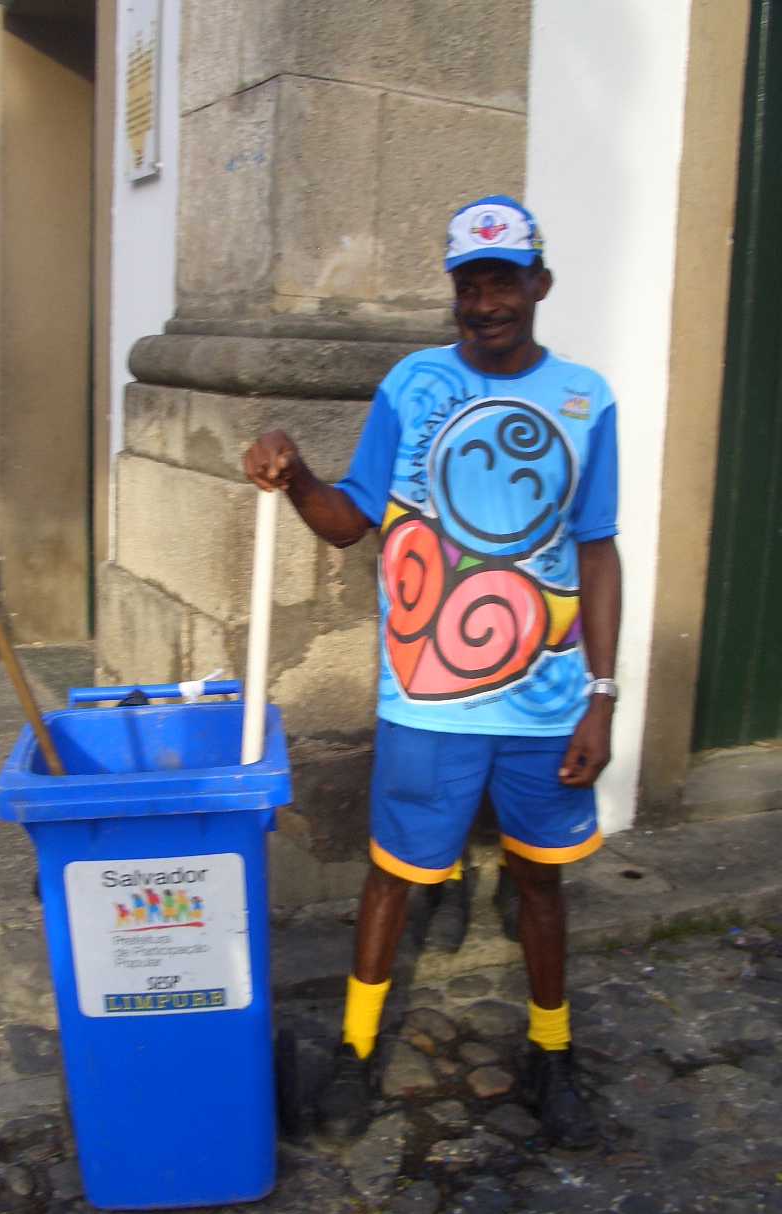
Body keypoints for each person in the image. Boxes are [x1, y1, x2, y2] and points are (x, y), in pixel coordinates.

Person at [243, 195, 621, 1147]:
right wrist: (296, 477)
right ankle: (357, 1050)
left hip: (545, 707)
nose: (485, 302)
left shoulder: (586, 398)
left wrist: (601, 698)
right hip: (427, 702)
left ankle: (551, 1051)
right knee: (392, 876)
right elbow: (350, 521)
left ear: (540, 284)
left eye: (504, 282)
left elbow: (597, 551)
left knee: (539, 884)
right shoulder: (411, 385)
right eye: (468, 285)